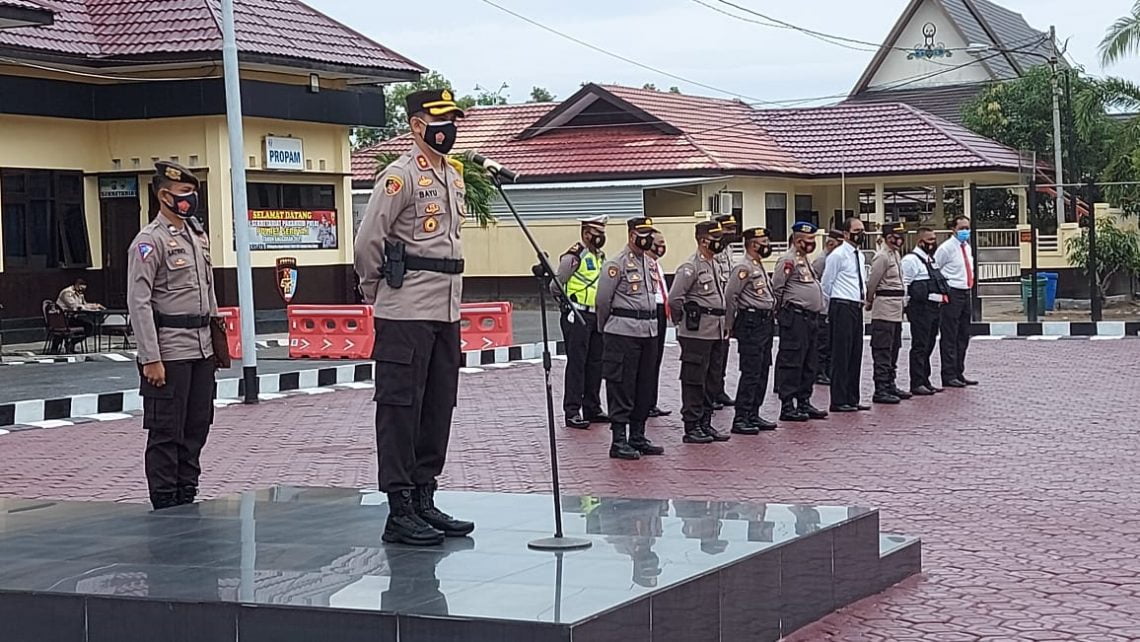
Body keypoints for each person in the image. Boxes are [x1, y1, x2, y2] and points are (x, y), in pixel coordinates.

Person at [355, 88, 474, 546]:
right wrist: (375, 292)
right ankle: (399, 507)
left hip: (445, 310)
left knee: (438, 405)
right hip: (405, 310)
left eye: (454, 121)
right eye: (441, 120)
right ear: (418, 125)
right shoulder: (398, 177)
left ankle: (425, 496)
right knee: (400, 409)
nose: (451, 129)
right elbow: (369, 241)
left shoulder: (453, 176)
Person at [127, 161, 220, 511]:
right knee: (167, 430)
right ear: (164, 195)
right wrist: (151, 357)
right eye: (183, 194)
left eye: (192, 193)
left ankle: (186, 492)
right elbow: (139, 303)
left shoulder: (197, 236)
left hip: (201, 348)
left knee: (197, 425)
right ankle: (165, 500)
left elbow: (208, 292)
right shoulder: (149, 242)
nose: (190, 200)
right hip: (169, 350)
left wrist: (216, 343)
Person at [596, 217, 666, 460]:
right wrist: (606, 328)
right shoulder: (616, 264)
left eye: (650, 233)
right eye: (642, 233)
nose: (647, 238)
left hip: (649, 331)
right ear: (631, 234)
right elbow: (602, 301)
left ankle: (638, 435)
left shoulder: (649, 263)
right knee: (621, 386)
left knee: (644, 386)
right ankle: (619, 440)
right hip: (622, 332)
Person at [669, 221, 732, 444]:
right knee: (694, 379)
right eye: (716, 238)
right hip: (696, 333)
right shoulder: (690, 266)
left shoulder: (713, 263)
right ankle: (692, 426)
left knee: (712, 379)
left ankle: (705, 422)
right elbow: (675, 299)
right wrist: (682, 322)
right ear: (704, 240)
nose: (721, 242)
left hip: (716, 330)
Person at [555, 215, 610, 429]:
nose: (600, 238)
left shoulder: (600, 256)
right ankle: (572, 411)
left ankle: (592, 407)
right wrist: (567, 306)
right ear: (586, 234)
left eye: (602, 234)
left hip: (596, 315)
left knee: (596, 363)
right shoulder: (573, 257)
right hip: (577, 315)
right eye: (597, 234)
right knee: (577, 364)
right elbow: (556, 284)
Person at [771, 222, 829, 423]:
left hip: (811, 318)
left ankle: (804, 401)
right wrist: (779, 313)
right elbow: (777, 288)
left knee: (809, 362)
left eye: (813, 240)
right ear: (797, 241)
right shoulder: (788, 260)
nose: (811, 244)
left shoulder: (805, 260)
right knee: (793, 361)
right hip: (795, 318)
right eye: (807, 241)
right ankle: (788, 404)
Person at [724, 227, 778, 434]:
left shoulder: (758, 265)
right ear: (753, 244)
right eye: (763, 241)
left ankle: (754, 412)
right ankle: (741, 417)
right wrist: (729, 324)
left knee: (763, 368)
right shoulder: (743, 267)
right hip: (751, 322)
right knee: (751, 371)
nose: (767, 245)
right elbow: (731, 296)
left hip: (764, 322)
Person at [821, 217, 870, 413]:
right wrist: (828, 309)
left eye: (863, 230)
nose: (861, 234)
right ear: (846, 233)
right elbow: (827, 283)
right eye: (857, 230)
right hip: (841, 305)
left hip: (856, 306)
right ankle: (839, 399)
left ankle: (852, 397)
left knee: (855, 353)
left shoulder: (859, 255)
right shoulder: (838, 255)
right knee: (841, 354)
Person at [865, 222, 912, 404]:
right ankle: (881, 388)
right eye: (897, 235)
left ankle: (890, 384)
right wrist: (869, 301)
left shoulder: (895, 254)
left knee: (894, 348)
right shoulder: (882, 256)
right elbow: (872, 282)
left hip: (896, 309)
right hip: (884, 308)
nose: (900, 239)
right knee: (883, 350)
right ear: (888, 236)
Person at [902, 227, 950, 396]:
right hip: (919, 309)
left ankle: (925, 380)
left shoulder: (930, 260)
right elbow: (905, 284)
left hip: (933, 309)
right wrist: (905, 306)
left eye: (934, 239)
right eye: (929, 240)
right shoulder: (911, 260)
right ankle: (916, 382)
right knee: (920, 345)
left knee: (929, 344)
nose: (933, 243)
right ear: (920, 241)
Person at [935, 216, 978, 388]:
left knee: (963, 334)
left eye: (967, 227)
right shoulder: (946, 248)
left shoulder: (967, 247)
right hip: (952, 293)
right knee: (949, 335)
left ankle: (959, 371)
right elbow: (936, 268)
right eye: (961, 228)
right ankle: (948, 374)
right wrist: (943, 291)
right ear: (953, 229)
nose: (965, 231)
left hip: (965, 292)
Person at [710, 214, 739, 409]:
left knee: (723, 351)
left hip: (727, 306)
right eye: (727, 229)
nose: (732, 233)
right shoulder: (714, 251)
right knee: (713, 354)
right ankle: (711, 392)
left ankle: (718, 390)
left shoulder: (728, 250)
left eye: (733, 229)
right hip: (715, 306)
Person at [813, 230, 845, 386]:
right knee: (823, 343)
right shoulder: (821, 260)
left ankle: (827, 371)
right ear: (830, 244)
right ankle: (819, 372)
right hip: (823, 308)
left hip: (833, 307)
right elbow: (816, 283)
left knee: (830, 342)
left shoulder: (835, 259)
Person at [646, 230, 672, 418]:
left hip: (661, 312)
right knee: (649, 360)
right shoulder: (643, 264)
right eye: (659, 242)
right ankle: (645, 402)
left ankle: (651, 402)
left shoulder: (656, 264)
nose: (662, 246)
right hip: (651, 312)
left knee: (656, 360)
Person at [56, 278, 104, 352]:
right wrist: (88, 307)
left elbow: (84, 304)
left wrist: (95, 305)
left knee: (89, 326)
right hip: (64, 319)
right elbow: (75, 306)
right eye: (81, 289)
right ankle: (69, 343)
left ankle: (72, 343)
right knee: (86, 326)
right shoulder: (67, 293)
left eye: (83, 289)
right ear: (77, 285)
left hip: (73, 317)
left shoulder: (80, 294)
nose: (81, 291)